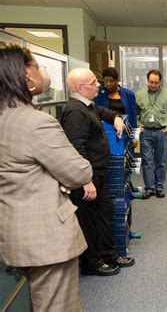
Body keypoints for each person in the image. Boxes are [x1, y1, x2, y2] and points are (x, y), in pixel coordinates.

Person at [0, 43, 92, 311]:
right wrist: (59, 175)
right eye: (37, 67)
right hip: (45, 237)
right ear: (25, 75)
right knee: (57, 306)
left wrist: (51, 172)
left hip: (13, 233)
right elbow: (80, 171)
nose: (43, 73)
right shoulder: (36, 122)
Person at [60, 68, 135, 276]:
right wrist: (86, 181)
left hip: (97, 173)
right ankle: (92, 263)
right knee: (89, 221)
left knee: (105, 213)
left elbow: (104, 113)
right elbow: (77, 148)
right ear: (80, 88)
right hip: (86, 177)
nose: (99, 85)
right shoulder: (75, 112)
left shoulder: (88, 106)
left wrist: (116, 118)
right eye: (94, 83)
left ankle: (109, 255)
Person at [136, 69, 167, 199]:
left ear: (160, 82)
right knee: (147, 161)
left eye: (156, 82)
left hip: (161, 133)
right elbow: (135, 112)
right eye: (151, 82)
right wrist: (138, 125)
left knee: (161, 161)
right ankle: (149, 188)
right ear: (147, 80)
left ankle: (159, 187)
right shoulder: (139, 94)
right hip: (146, 133)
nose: (153, 85)